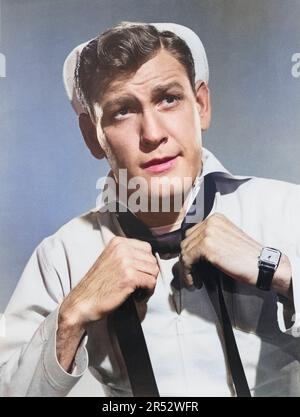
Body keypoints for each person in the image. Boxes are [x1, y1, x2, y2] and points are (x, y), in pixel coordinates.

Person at [1, 21, 300, 397]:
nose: (153, 133)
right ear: (92, 135)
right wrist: (71, 316)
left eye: (168, 99)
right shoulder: (60, 258)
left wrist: (279, 271)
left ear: (202, 106)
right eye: (123, 110)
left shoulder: (290, 211)